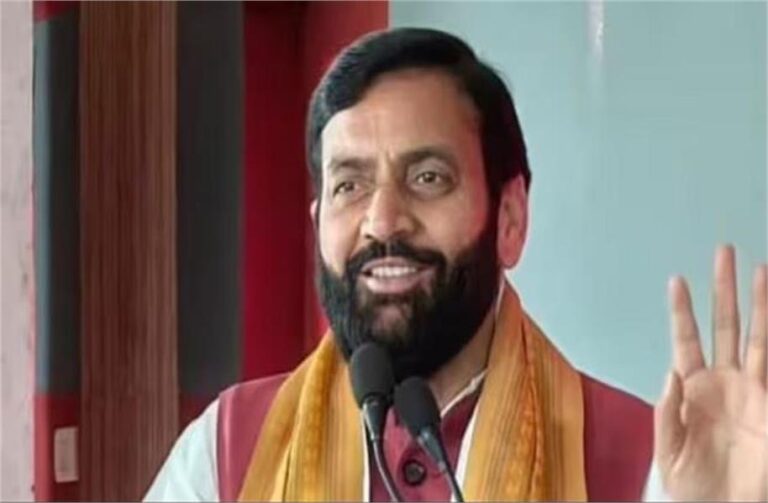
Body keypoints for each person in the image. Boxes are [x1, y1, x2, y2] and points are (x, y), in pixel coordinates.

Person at [145, 28, 767, 502]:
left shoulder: (648, 464)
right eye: (349, 186)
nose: (382, 220)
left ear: (510, 220)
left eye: (428, 177)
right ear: (317, 224)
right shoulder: (226, 454)